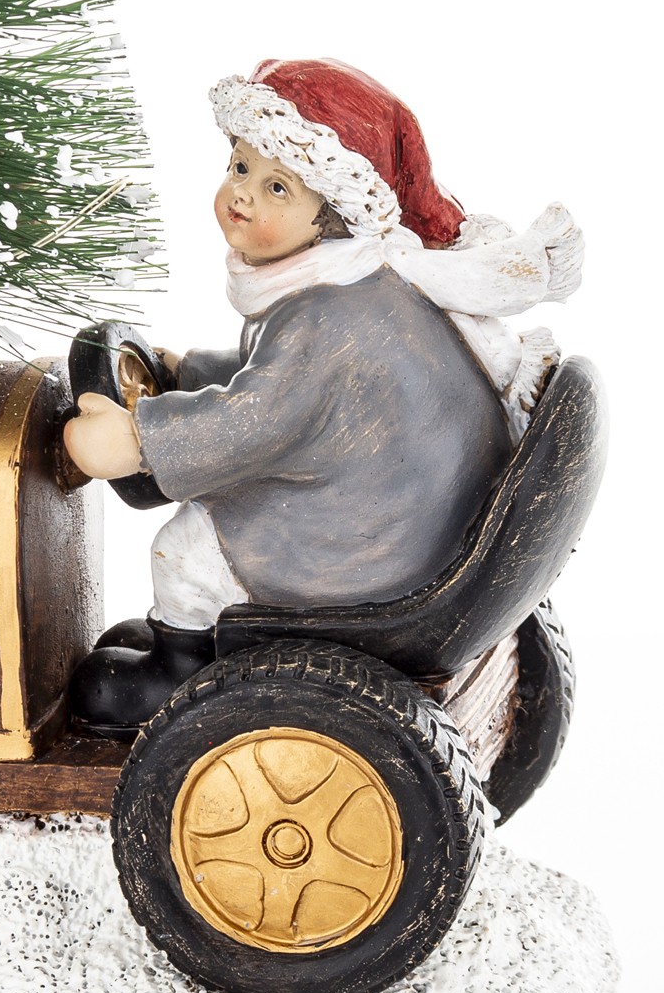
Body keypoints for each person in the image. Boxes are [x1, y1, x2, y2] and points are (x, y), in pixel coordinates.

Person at [64, 57, 584, 734]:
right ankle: (195, 635)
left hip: (374, 554)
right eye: (240, 167)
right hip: (402, 510)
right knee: (203, 533)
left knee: (186, 548)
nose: (242, 195)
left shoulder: (326, 316)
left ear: (330, 217)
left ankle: (175, 672)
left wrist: (137, 440)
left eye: (277, 187)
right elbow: (290, 387)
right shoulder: (354, 285)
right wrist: (188, 373)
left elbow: (260, 418)